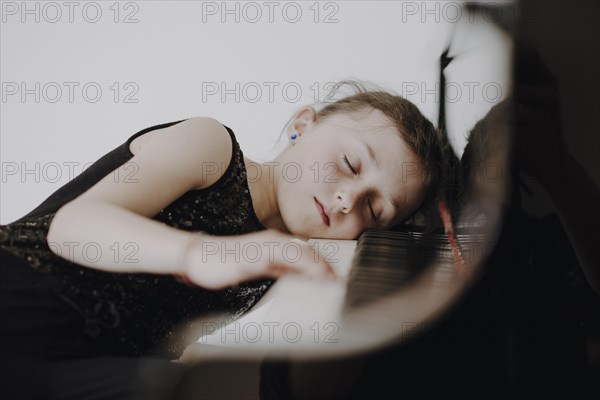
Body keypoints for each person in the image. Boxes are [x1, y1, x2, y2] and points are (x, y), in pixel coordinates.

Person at [0, 80, 449, 398]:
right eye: (350, 164)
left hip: (78, 360)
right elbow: (73, 227)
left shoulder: (284, 258)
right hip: (21, 297)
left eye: (374, 210)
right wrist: (200, 253)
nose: (347, 200)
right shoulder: (211, 146)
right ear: (302, 125)